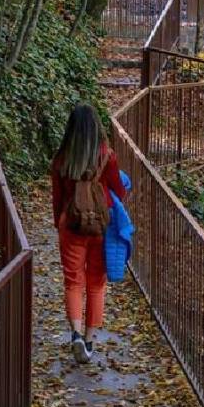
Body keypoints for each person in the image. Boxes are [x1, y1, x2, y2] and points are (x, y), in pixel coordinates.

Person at [51, 104, 127, 364]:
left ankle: (75, 335)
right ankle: (90, 340)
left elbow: (58, 198)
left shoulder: (62, 159)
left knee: (73, 282)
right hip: (100, 226)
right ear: (96, 127)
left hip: (71, 226)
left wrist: (58, 224)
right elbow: (120, 190)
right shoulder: (107, 156)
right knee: (96, 283)